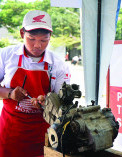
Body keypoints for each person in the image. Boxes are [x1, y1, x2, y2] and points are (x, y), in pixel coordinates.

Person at [0, 10, 70, 156]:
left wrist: (48, 103)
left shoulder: (58, 65)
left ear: (51, 37)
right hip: (10, 131)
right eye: (31, 38)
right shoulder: (6, 56)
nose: (37, 45)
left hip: (43, 133)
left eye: (44, 40)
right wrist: (10, 93)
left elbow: (63, 104)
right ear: (21, 34)